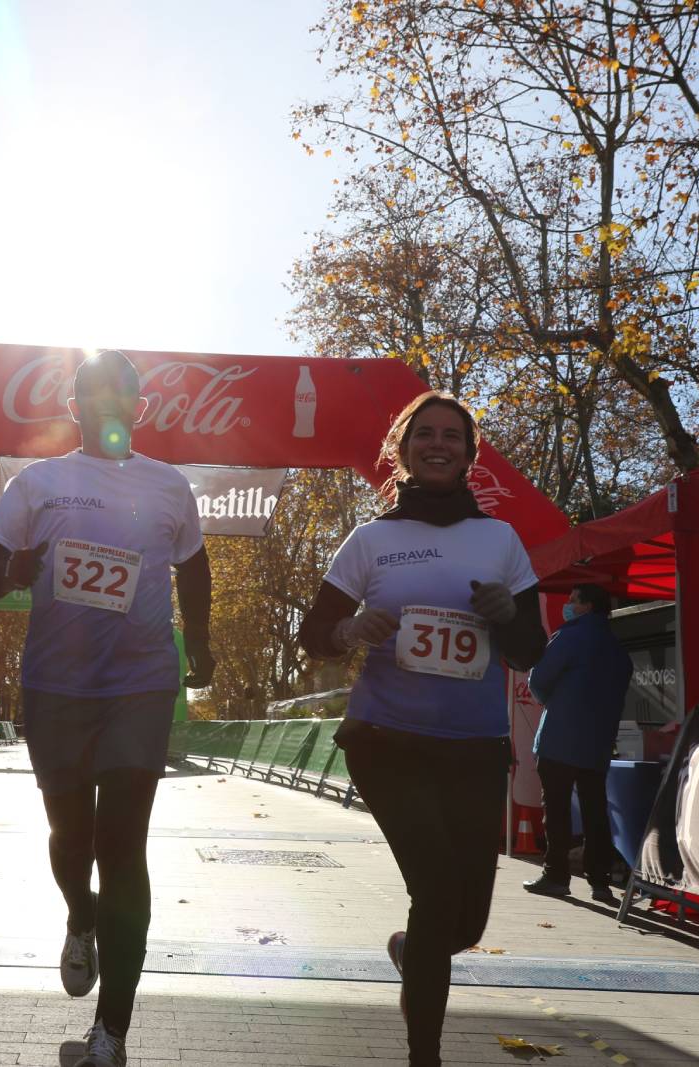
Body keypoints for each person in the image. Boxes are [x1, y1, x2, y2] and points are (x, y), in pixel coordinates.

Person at [0, 350, 214, 1067]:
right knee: (70, 838)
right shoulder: (37, 482)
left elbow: (194, 564)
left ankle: (113, 1033)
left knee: (123, 845)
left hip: (139, 683)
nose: (108, 400)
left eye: (122, 390)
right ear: (75, 405)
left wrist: (199, 641)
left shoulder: (169, 486)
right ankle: (81, 913)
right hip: (56, 686)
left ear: (139, 405)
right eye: (92, 390)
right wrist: (10, 569)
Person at [297, 391, 545, 1067]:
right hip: (387, 741)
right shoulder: (372, 539)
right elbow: (312, 633)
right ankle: (423, 1057)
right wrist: (348, 629)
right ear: (401, 450)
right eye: (425, 434)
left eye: (453, 436)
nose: (439, 444)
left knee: (464, 922)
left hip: (473, 750)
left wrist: (505, 614)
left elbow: (532, 649)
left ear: (468, 453)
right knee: (434, 889)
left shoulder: (499, 541)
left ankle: (415, 949)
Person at [525, 583, 634, 904]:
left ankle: (555, 875)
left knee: (556, 809)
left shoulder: (569, 636)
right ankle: (599, 881)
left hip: (559, 736)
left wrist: (555, 705)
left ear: (587, 606)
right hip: (598, 740)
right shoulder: (617, 647)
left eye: (573, 599)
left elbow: (539, 679)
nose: (568, 605)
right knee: (596, 811)